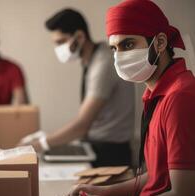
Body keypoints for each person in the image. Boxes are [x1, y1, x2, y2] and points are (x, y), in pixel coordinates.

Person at [68, 0, 195, 196]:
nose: (119, 57)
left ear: (160, 43)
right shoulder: (157, 94)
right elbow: (158, 175)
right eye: (114, 48)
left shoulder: (182, 99)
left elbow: (185, 194)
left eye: (128, 44)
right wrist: (105, 193)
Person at [21, 9, 135, 167]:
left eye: (61, 42)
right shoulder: (93, 58)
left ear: (80, 37)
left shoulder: (104, 63)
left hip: (110, 153)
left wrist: (39, 144)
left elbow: (81, 126)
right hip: (96, 145)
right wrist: (45, 138)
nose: (58, 48)